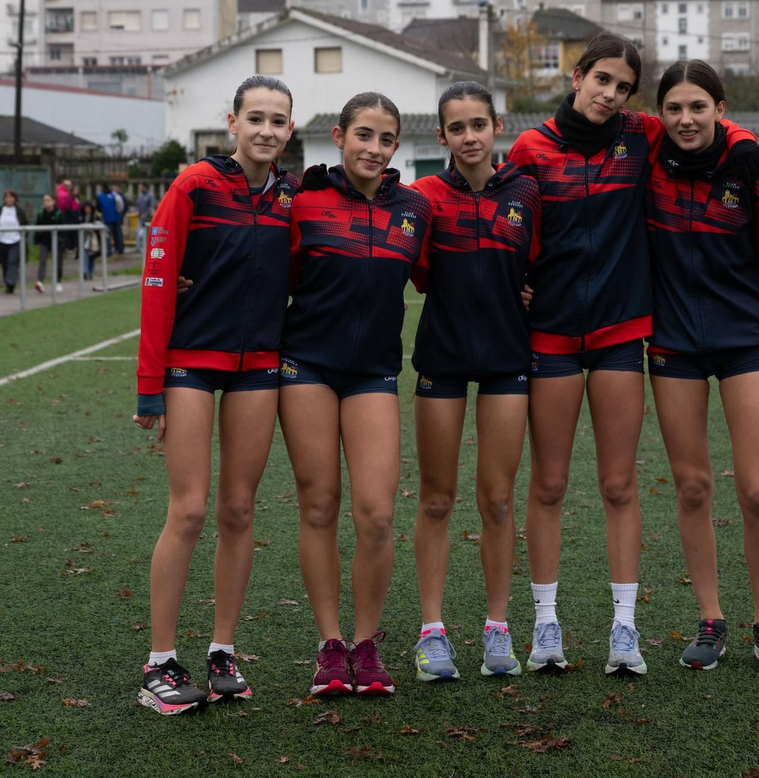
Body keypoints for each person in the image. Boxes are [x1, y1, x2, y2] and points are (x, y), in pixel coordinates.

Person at [503, 33, 754, 677]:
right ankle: (547, 626)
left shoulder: (640, 133)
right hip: (552, 337)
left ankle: (624, 630)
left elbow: (703, 115)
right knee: (551, 483)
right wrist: (516, 282)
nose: (610, 95)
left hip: (619, 333)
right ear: (578, 75)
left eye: (622, 87)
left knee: (619, 484)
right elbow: (507, 226)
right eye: (602, 80)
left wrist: (748, 149)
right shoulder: (530, 148)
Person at [131, 76, 299, 716]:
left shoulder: (293, 196)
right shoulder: (194, 185)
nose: (265, 129)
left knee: (239, 510)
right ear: (232, 122)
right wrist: (150, 389)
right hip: (190, 368)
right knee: (191, 510)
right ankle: (160, 664)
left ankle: (223, 650)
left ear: (290, 129)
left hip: (257, 368)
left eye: (277, 120)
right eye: (254, 117)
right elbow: (156, 281)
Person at [645, 60, 759, 676]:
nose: (686, 120)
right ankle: (711, 619)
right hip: (674, 343)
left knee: (756, 490)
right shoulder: (646, 161)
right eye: (674, 108)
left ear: (720, 108)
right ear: (660, 114)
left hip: (745, 340)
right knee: (692, 486)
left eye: (698, 108)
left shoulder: (752, 172)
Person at [280, 92, 432, 698]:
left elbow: (447, 276)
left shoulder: (415, 209)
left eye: (386, 139)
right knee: (319, 505)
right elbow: (264, 267)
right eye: (363, 135)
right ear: (340, 136)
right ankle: (329, 646)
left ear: (397, 147)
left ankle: (365, 645)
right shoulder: (304, 200)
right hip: (306, 367)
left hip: (373, 373)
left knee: (376, 513)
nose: (374, 148)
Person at [408, 82, 541, 682]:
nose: (469, 137)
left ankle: (497, 628)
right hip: (443, 354)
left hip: (509, 358)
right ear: (441, 136)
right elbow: (412, 271)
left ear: (497, 127)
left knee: (497, 499)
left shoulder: (527, 191)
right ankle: (432, 633)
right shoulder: (424, 196)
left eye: (478, 125)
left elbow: (541, 263)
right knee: (436, 499)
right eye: (456, 127)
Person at [0, 189, 25, 294]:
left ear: (15, 199)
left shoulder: (19, 211)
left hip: (15, 240)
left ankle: (11, 281)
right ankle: (8, 285)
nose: (9, 199)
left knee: (12, 261)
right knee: (4, 263)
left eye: (11, 197)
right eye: (7, 197)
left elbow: (24, 223)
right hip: (2, 240)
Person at [32, 193, 64, 293]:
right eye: (45, 200)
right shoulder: (41, 213)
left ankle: (57, 282)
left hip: (56, 242)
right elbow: (37, 227)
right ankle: (40, 281)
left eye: (48, 200)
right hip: (44, 241)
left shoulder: (58, 213)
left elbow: (63, 228)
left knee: (57, 262)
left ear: (53, 201)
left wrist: (62, 240)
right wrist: (36, 240)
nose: (46, 202)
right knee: (42, 261)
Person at [96, 182, 124, 256]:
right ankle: (120, 249)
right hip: (116, 217)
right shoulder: (115, 195)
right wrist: (118, 213)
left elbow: (98, 208)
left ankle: (109, 251)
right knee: (117, 234)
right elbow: (120, 205)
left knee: (108, 236)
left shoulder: (100, 196)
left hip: (107, 218)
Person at [136, 184, 157, 248]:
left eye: (141, 187)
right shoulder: (140, 195)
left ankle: (148, 246)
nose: (140, 189)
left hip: (147, 217)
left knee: (147, 233)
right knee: (139, 232)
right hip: (140, 216)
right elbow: (138, 204)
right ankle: (139, 247)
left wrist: (148, 215)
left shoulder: (150, 196)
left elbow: (152, 206)